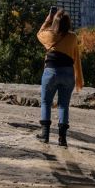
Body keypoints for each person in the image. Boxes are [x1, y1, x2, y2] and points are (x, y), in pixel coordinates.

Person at [36, 7, 83, 146]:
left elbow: (39, 33)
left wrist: (48, 19)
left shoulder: (50, 35)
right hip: (68, 73)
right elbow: (75, 55)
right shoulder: (73, 37)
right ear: (68, 23)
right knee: (63, 105)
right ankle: (62, 138)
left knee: (46, 102)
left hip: (51, 72)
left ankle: (45, 135)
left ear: (55, 23)